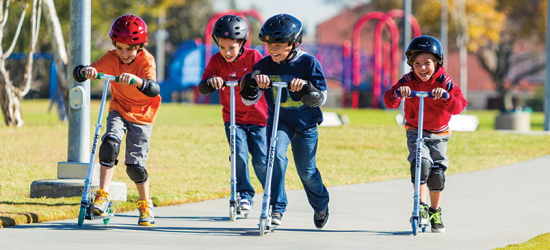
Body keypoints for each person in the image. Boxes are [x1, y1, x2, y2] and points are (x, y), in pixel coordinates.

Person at [240, 14, 330, 229]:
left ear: (294, 42)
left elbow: (322, 98)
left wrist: (307, 87)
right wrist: (253, 84)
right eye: (269, 44)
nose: (272, 49)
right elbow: (248, 100)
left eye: (278, 45)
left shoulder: (308, 63)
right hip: (280, 122)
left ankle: (321, 205)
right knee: (275, 159)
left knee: (306, 172)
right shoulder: (264, 65)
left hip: (306, 125)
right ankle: (276, 208)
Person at [73, 14, 161, 226]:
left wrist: (137, 80)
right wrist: (88, 71)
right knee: (109, 144)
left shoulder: (146, 60)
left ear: (140, 46)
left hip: (142, 115)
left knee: (135, 167)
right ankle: (103, 195)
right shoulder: (111, 58)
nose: (124, 54)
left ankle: (145, 203)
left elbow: (153, 88)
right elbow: (80, 73)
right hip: (119, 110)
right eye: (120, 48)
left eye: (130, 49)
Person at [383, 35, 467, 233]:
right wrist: (397, 93)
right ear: (411, 64)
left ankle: (435, 211)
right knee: (421, 165)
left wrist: (446, 96)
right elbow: (389, 101)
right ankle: (419, 206)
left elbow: (459, 105)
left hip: (439, 134)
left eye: (427, 63)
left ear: (437, 63)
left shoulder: (444, 81)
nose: (422, 68)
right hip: (416, 130)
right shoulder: (408, 80)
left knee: (436, 174)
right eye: (417, 64)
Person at [198, 14, 267, 212]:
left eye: (231, 48)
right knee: (239, 155)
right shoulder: (216, 61)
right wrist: (212, 82)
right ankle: (244, 195)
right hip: (233, 118)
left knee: (261, 159)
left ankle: (270, 193)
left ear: (242, 43)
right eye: (222, 47)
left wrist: (256, 79)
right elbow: (203, 87)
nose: (226, 53)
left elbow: (265, 77)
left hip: (259, 119)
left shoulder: (254, 57)